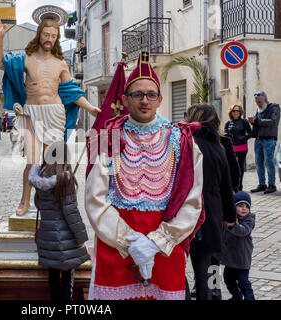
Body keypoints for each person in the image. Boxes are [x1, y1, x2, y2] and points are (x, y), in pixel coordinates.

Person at [84, 52, 205, 300]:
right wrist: (128, 240)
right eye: (137, 94)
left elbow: (192, 200)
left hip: (164, 248)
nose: (144, 100)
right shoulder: (107, 138)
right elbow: (95, 199)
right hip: (116, 247)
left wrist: (157, 242)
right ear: (125, 99)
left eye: (151, 94)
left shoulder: (182, 141)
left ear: (160, 99)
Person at [0, 12, 100, 216]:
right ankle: (25, 201)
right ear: (39, 34)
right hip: (31, 114)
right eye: (46, 34)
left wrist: (91, 109)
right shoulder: (25, 59)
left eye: (53, 36)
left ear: (57, 38)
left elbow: (71, 91)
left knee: (53, 162)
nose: (49, 39)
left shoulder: (60, 63)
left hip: (54, 114)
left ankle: (53, 202)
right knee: (32, 160)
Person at [185, 103, 237, 300]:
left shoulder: (186, 142)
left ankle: (186, 294)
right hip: (212, 212)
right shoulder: (219, 145)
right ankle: (212, 292)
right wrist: (230, 216)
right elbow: (230, 183)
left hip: (185, 210)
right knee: (207, 266)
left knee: (176, 265)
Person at [28, 141, 90, 300]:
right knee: (68, 275)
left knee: (53, 275)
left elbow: (38, 203)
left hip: (47, 237)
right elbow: (71, 212)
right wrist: (81, 237)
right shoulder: (65, 178)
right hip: (65, 238)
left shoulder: (40, 174)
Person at [218, 191, 255, 300]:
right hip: (230, 258)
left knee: (244, 282)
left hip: (242, 259)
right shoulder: (228, 218)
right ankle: (237, 296)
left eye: (246, 206)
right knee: (228, 279)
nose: (244, 208)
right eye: (240, 206)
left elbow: (243, 231)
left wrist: (233, 225)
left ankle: (250, 298)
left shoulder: (249, 220)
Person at [248, 91, 280, 194]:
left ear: (265, 100)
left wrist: (257, 121)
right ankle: (262, 184)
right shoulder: (259, 109)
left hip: (269, 140)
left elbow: (273, 122)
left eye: (259, 102)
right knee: (258, 162)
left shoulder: (274, 108)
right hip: (258, 139)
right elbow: (258, 121)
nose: (258, 104)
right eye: (256, 102)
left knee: (268, 162)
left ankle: (272, 185)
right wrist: (253, 121)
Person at [224, 104, 252, 191]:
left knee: (240, 167)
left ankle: (239, 186)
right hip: (231, 148)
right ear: (231, 112)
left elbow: (251, 133)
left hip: (242, 148)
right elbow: (225, 135)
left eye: (237, 111)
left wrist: (244, 138)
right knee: (231, 167)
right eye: (234, 111)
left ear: (240, 112)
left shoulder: (244, 122)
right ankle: (232, 185)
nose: (236, 112)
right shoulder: (228, 123)